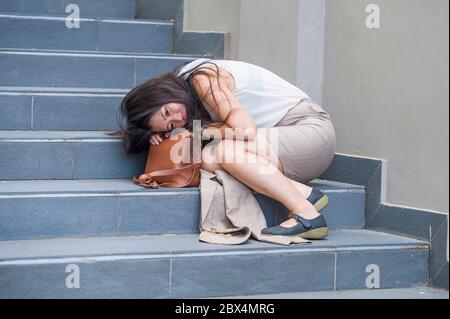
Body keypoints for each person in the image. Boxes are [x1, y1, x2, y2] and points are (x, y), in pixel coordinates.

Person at [116, 58, 336, 239]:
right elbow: (202, 147)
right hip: (282, 142)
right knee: (207, 157)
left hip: (309, 131)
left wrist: (188, 133)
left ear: (162, 92)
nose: (178, 118)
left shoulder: (202, 79)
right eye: (171, 125)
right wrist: (167, 139)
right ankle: (304, 193)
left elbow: (246, 132)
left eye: (167, 112)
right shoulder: (190, 104)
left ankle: (306, 214)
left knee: (224, 152)